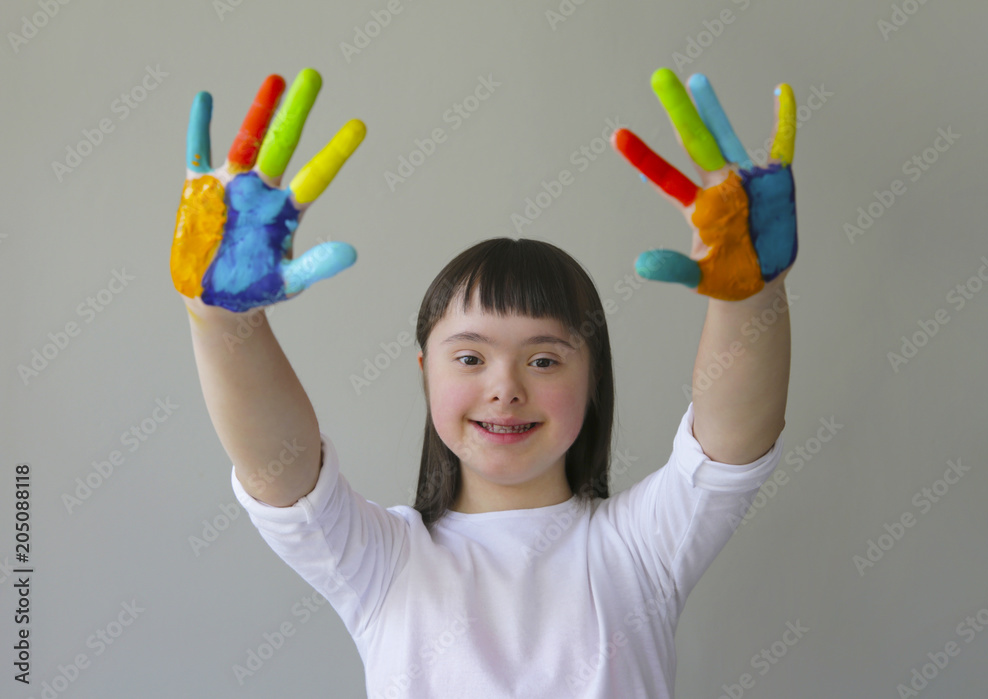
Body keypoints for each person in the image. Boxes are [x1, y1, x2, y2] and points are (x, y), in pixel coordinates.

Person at [173, 65, 797, 698]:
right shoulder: (382, 561)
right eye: (470, 358)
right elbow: (280, 468)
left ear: (593, 379)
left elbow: (733, 439)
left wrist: (753, 296)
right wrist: (220, 320)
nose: (505, 389)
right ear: (426, 374)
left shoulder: (639, 548)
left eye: (544, 360)